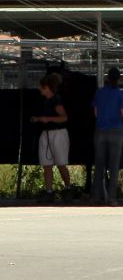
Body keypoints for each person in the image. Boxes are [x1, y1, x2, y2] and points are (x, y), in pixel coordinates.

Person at [92, 67, 123, 206]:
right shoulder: (120, 95)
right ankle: (111, 198)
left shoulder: (99, 93)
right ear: (119, 79)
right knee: (114, 166)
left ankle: (97, 196)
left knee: (99, 165)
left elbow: (96, 113)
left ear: (107, 78)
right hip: (115, 131)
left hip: (100, 130)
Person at [32, 73, 72, 203]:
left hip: (59, 133)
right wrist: (38, 119)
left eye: (42, 87)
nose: (40, 90)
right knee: (46, 164)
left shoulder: (56, 100)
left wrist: (47, 119)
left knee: (61, 164)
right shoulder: (44, 101)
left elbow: (64, 117)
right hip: (46, 133)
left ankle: (68, 188)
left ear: (47, 87)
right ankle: (49, 191)